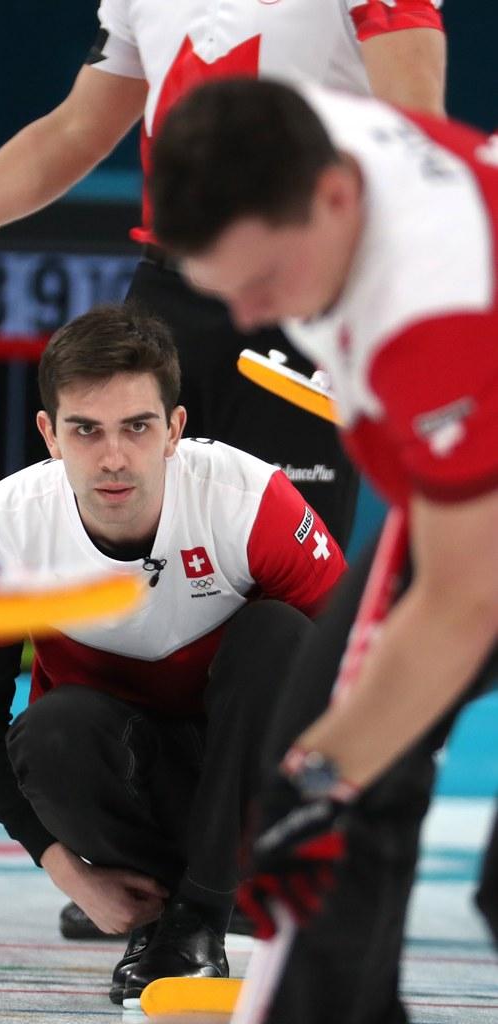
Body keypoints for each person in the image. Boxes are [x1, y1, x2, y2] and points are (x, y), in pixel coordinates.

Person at [0, 0, 446, 554]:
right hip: (170, 299)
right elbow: (77, 130)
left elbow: (416, 127)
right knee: (123, 561)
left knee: (287, 580)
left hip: (299, 301)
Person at [149, 77, 498, 1022]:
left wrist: (324, 776)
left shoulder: (429, 313)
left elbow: (466, 598)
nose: (258, 320)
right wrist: (328, 772)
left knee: (329, 782)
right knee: (327, 773)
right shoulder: (285, 129)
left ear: (337, 197)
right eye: (228, 294)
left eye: (262, 285)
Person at [0, 303, 346, 1003]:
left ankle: (204, 911)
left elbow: (349, 672)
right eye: (85, 430)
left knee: (281, 637)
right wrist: (68, 874)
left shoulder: (249, 502)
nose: (112, 459)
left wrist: (324, 842)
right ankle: (179, 909)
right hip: (125, 782)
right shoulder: (2, 530)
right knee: (50, 732)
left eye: (137, 427)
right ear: (49, 434)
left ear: (175, 430)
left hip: (255, 790)